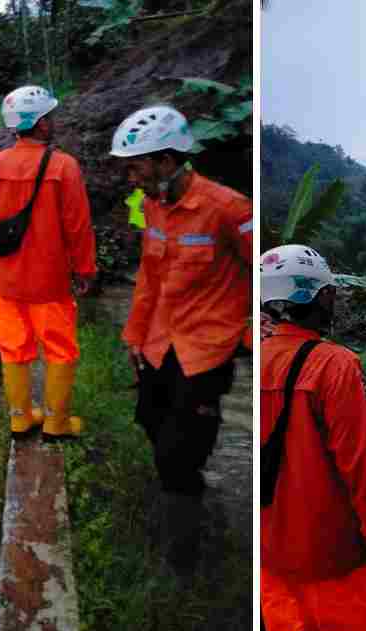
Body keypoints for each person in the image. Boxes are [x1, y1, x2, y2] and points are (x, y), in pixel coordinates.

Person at [109, 104, 252, 575]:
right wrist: (135, 334)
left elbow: (261, 272)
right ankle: (185, 494)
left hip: (206, 351)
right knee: (148, 418)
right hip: (159, 342)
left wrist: (248, 333)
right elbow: (149, 277)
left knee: (180, 450)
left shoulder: (229, 209)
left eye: (137, 166)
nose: (131, 177)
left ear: (168, 161)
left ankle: (186, 556)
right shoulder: (152, 206)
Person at [260, 244, 366, 631]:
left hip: (273, 556)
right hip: (334, 552)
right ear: (317, 298)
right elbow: (360, 461)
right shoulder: (334, 365)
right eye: (330, 296)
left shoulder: (254, 363)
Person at [0, 85, 96, 439]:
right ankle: (56, 423)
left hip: (6, 280)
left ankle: (20, 418)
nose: (53, 122)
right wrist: (85, 269)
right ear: (40, 124)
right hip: (50, 280)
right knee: (59, 349)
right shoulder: (63, 166)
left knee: (13, 348)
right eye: (49, 117)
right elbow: (78, 225)